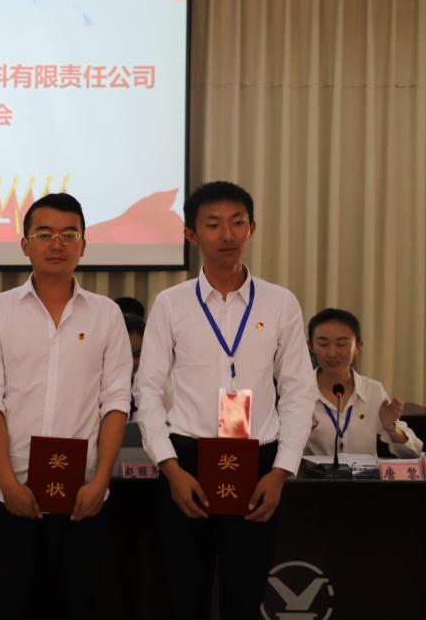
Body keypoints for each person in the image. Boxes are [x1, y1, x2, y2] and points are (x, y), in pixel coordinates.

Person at [133, 181, 317, 620]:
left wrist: (280, 472)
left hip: (258, 462)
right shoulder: (171, 304)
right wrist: (170, 468)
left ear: (252, 227)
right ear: (191, 234)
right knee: (184, 593)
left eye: (237, 222)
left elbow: (298, 390)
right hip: (187, 462)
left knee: (245, 595)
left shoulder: (280, 303)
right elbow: (148, 390)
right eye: (213, 225)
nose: (228, 235)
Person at [0, 192, 133, 619]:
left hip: (83, 496)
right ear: (25, 244)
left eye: (68, 234)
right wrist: (8, 483)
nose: (57, 244)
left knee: (77, 605)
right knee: (12, 605)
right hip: (10, 495)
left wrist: (100, 482)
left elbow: (116, 402)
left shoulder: (106, 314)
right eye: (44, 234)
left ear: (84, 245)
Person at [305, 308, 422, 457]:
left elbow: (413, 453)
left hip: (366, 473)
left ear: (358, 347)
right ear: (310, 346)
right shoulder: (299, 391)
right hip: (311, 473)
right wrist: (301, 431)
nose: (332, 353)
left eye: (341, 344)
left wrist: (390, 427)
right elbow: (282, 451)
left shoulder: (372, 390)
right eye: (323, 344)